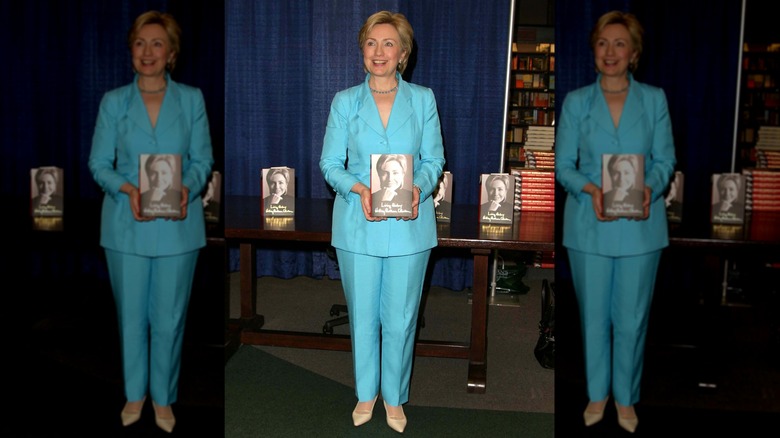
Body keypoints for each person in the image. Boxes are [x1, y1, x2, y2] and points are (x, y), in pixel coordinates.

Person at [87, 10, 213, 433]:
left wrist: (186, 188)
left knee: (170, 318)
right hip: (126, 225)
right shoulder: (113, 102)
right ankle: (134, 394)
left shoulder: (191, 99)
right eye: (140, 43)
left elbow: (202, 161)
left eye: (157, 43)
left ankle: (163, 398)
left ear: (172, 53)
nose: (148, 51)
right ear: (131, 50)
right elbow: (99, 164)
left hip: (179, 227)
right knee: (131, 319)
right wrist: (129, 190)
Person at [319, 10, 445, 433]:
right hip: (358, 223)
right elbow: (331, 164)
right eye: (372, 43)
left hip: (411, 226)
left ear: (403, 53)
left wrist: (418, 189)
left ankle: (394, 397)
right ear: (362, 50)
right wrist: (359, 190)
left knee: (401, 317)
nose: (379, 51)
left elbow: (434, 160)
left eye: (389, 43)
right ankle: (366, 393)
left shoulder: (423, 99)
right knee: (363, 316)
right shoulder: (344, 101)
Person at [555, 11, 676, 433]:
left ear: (634, 53)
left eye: (620, 43)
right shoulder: (576, 102)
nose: (611, 51)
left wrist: (651, 187)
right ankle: (597, 395)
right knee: (594, 318)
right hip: (589, 224)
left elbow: (665, 160)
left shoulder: (654, 100)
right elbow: (563, 167)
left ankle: (626, 399)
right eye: (603, 43)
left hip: (642, 227)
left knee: (631, 319)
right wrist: (592, 191)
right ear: (594, 50)